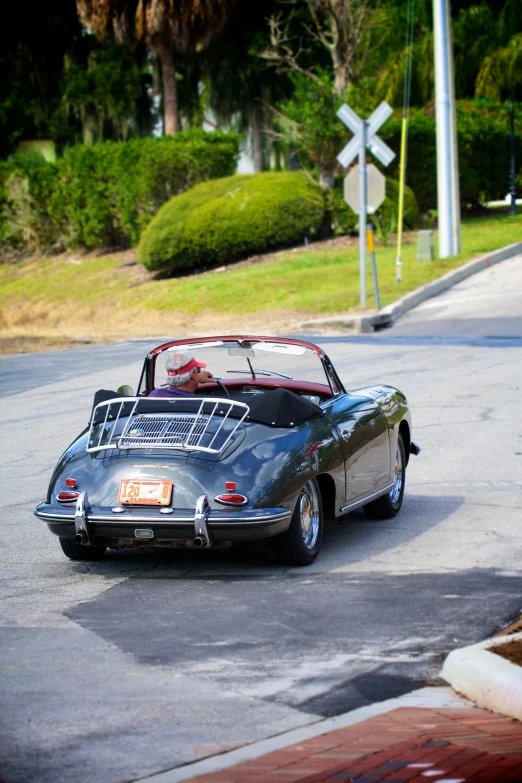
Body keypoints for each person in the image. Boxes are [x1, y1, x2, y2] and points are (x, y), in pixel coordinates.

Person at [148, 348, 214, 397]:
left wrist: (196, 378)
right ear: (193, 373)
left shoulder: (155, 395)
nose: (199, 373)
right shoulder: (201, 403)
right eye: (198, 370)